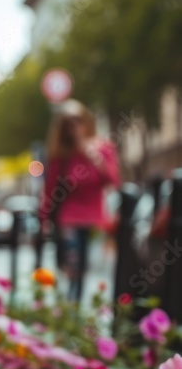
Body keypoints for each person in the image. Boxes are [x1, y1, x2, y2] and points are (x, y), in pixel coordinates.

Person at [41, 100, 120, 301]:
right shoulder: (62, 155)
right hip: (69, 218)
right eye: (68, 124)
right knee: (72, 267)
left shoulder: (103, 148)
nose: (74, 128)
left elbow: (112, 180)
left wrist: (89, 152)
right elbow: (50, 190)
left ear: (86, 121)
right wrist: (44, 219)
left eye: (77, 121)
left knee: (88, 268)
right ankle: (70, 305)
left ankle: (78, 305)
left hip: (95, 219)